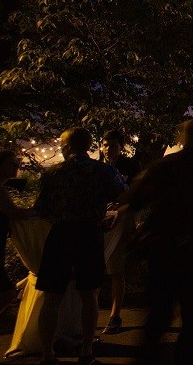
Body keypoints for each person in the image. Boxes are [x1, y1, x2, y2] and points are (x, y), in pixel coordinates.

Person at [119, 119, 193, 365]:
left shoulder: (162, 168)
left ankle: (147, 359)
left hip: (162, 252)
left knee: (158, 318)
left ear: (181, 138)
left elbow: (130, 205)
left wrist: (130, 247)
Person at [35, 127, 124, 365]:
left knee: (52, 296)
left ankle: (47, 354)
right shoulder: (103, 170)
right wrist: (110, 213)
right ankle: (85, 351)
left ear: (67, 146)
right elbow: (124, 195)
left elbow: (41, 209)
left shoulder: (54, 173)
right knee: (89, 295)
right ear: (87, 145)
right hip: (90, 234)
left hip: (61, 235)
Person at [99, 130, 141, 336]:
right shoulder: (95, 167)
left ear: (121, 146)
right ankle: (86, 317)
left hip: (121, 221)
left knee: (116, 269)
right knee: (93, 269)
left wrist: (122, 205)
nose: (108, 149)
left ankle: (115, 315)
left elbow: (137, 193)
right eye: (105, 145)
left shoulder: (131, 166)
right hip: (97, 221)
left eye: (113, 145)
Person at [0, 151, 35, 324]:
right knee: (7, 293)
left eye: (17, 164)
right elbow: (15, 213)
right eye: (11, 164)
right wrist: (39, 211)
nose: (16, 167)